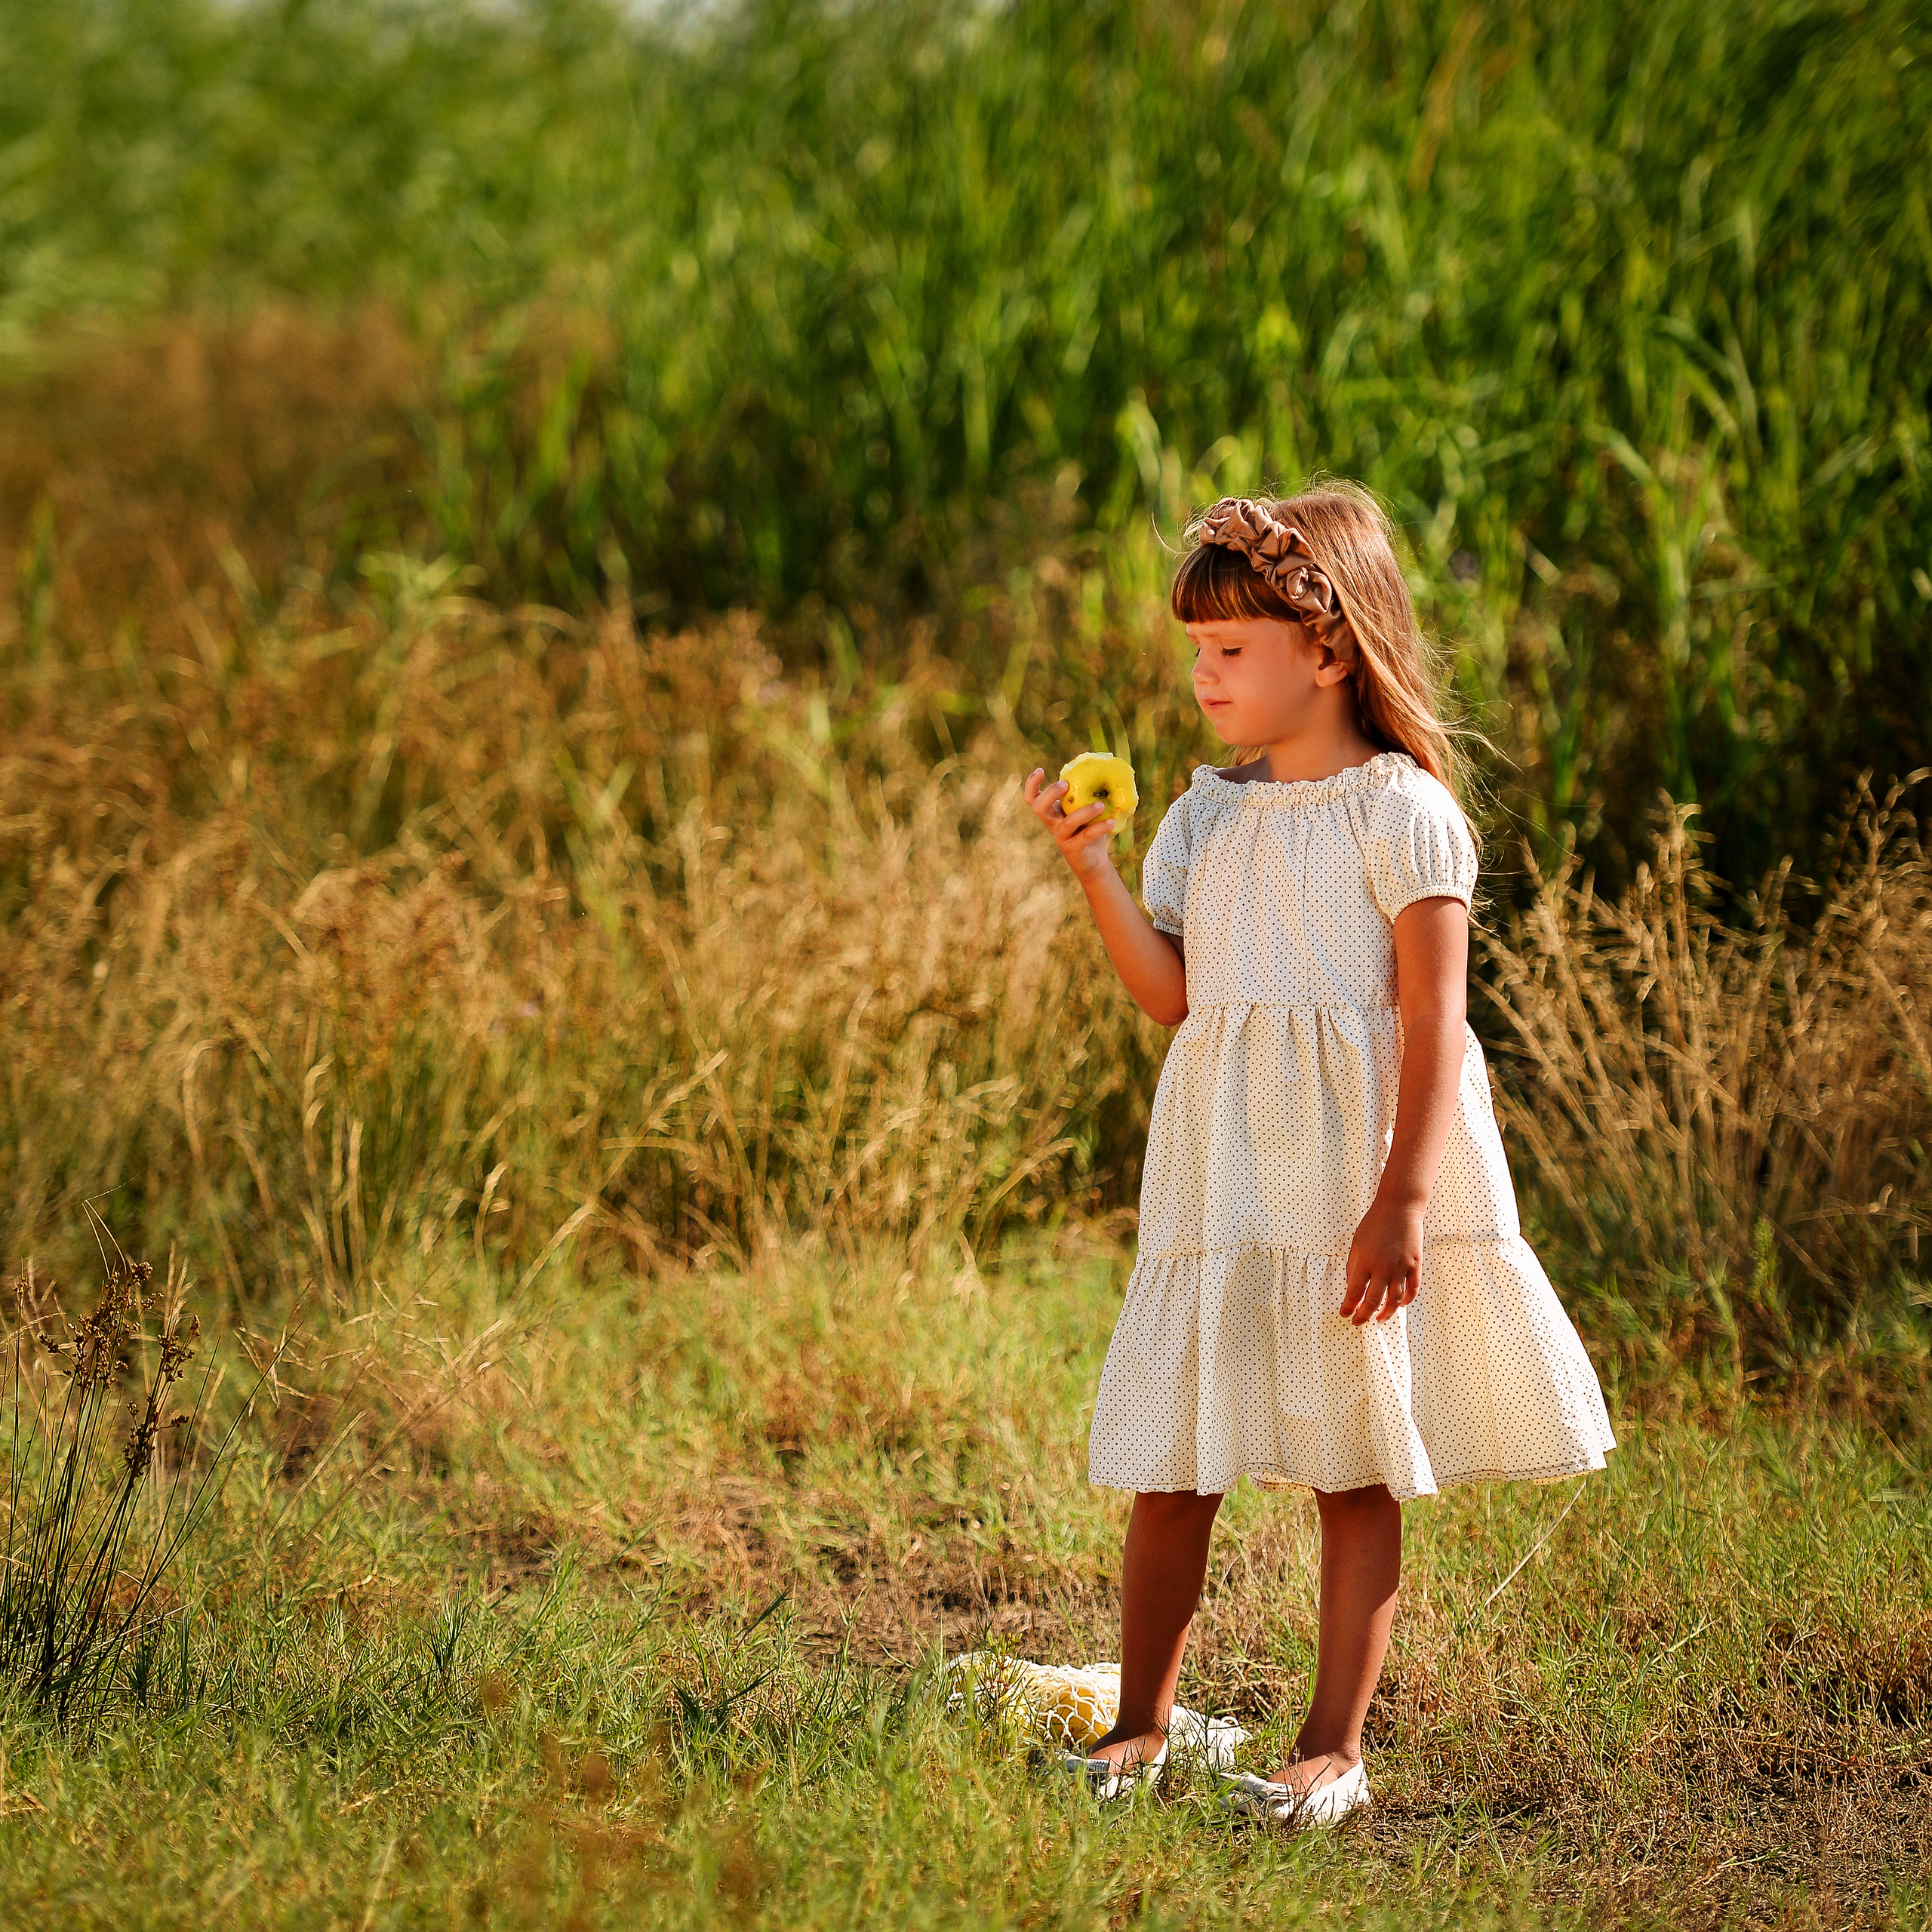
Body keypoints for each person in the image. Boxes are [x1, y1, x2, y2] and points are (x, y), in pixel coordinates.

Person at [1023, 485, 1614, 1823]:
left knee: (1352, 1460)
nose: (1204, 675)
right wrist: (1097, 873)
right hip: (1225, 1170)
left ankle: (1332, 1748)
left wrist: (1402, 1198)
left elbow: (1434, 1014)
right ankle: (1138, 1729)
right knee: (1174, 1456)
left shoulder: (1400, 814)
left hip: (1356, 1171)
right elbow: (1171, 997)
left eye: (1232, 651)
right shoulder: (1204, 816)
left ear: (1330, 651)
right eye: (1197, 652)